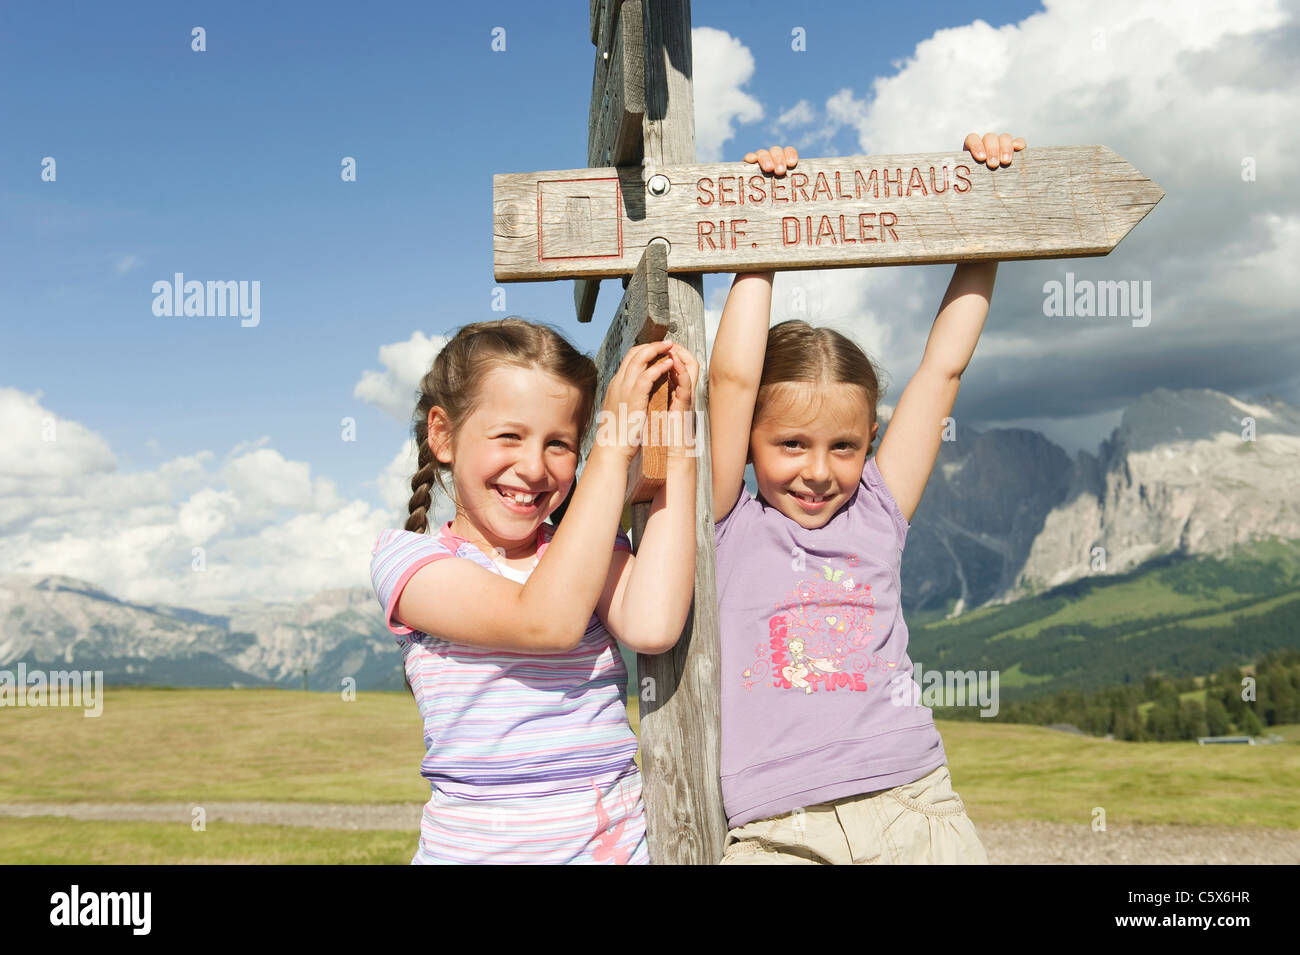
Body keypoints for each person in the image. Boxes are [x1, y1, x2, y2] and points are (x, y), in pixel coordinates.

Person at [710, 133, 1025, 864]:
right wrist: (763, 225)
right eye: (791, 444)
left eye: (844, 447)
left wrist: (990, 223)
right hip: (774, 830)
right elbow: (729, 380)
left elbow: (942, 370)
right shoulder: (726, 523)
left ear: (870, 438)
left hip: (912, 800)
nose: (819, 471)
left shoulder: (878, 510)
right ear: (749, 439)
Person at [370, 317, 698, 864]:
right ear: (443, 435)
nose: (533, 467)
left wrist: (676, 439)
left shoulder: (584, 547)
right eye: (509, 436)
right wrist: (611, 450)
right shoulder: (410, 561)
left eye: (560, 444)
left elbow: (654, 624)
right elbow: (545, 620)